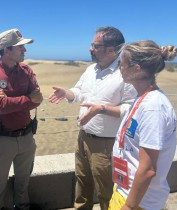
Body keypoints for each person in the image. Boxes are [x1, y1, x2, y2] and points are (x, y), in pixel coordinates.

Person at [48, 27, 137, 210]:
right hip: (83, 138)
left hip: (107, 145)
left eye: (95, 46)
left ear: (112, 50)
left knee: (107, 190)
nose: (90, 49)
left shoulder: (125, 73)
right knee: (82, 184)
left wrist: (102, 109)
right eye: (91, 44)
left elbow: (131, 108)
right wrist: (67, 93)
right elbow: (80, 92)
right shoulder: (90, 70)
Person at [109, 41, 177, 210]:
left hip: (139, 203)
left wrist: (129, 206)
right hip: (125, 191)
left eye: (122, 64)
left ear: (137, 69)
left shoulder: (153, 107)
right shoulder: (142, 98)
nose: (119, 68)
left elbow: (148, 170)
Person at [0, 29, 43, 210]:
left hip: (27, 137)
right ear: (6, 50)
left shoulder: (26, 70)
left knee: (23, 184)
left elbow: (38, 100)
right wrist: (27, 99)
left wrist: (15, 101)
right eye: (20, 47)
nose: (25, 51)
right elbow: (1, 105)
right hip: (4, 140)